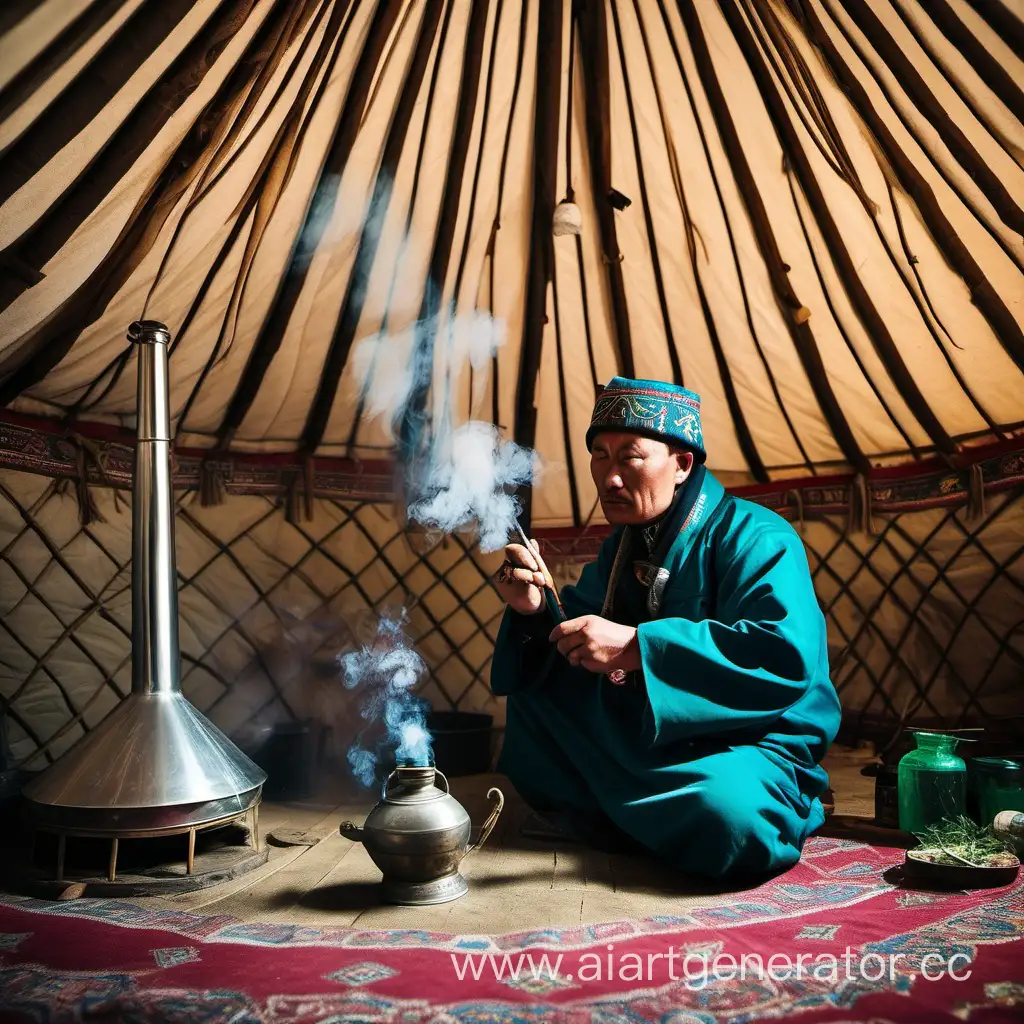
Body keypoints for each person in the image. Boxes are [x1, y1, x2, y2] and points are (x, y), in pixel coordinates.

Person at [490, 376, 842, 880]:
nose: (609, 477)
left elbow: (781, 654)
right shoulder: (622, 548)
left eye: (629, 457)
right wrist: (532, 608)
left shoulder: (758, 537)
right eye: (599, 456)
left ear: (681, 463)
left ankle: (641, 810)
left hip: (746, 740)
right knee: (537, 691)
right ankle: (641, 812)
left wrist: (637, 646)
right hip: (649, 731)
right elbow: (573, 637)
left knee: (728, 815)